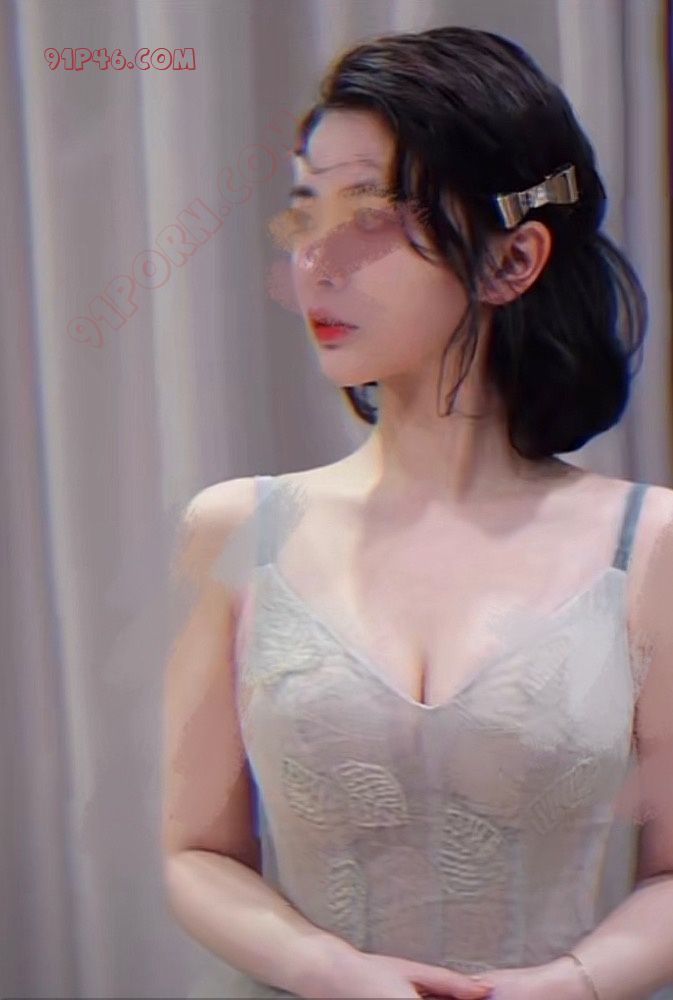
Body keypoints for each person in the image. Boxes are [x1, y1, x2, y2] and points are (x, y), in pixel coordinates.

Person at [161, 26, 673, 1000]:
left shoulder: (649, 546)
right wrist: (329, 970)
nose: (315, 262)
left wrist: (567, 984)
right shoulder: (238, 530)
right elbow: (197, 848)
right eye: (305, 213)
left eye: (368, 216)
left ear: (511, 259)